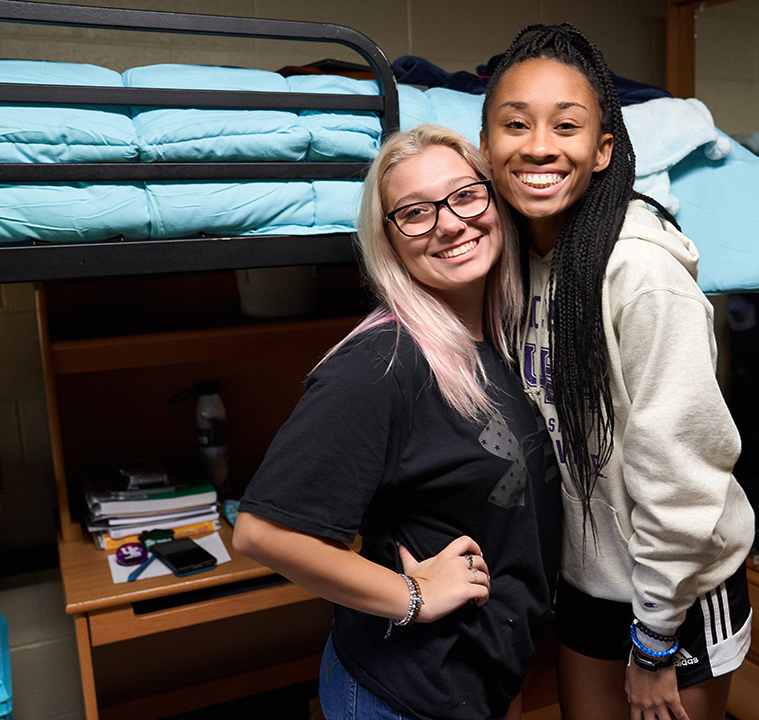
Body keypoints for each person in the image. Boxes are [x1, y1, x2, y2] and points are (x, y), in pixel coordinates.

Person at [232, 124, 561, 720]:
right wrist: (413, 596)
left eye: (465, 195)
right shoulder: (382, 364)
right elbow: (262, 532)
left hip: (478, 682)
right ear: (389, 240)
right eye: (415, 212)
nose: (451, 223)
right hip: (404, 695)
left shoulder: (498, 339)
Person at [478, 24, 756, 720]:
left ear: (603, 150)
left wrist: (657, 642)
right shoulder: (507, 268)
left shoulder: (640, 274)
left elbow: (683, 477)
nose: (539, 145)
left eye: (565, 126)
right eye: (516, 124)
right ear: (487, 146)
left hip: (679, 590)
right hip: (589, 583)